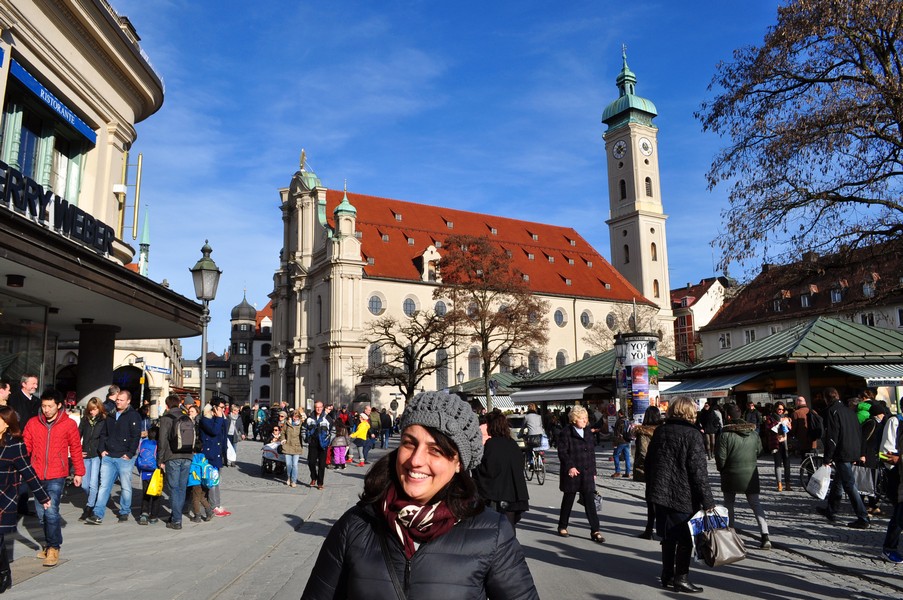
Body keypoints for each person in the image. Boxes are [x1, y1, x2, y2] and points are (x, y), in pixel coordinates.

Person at [301, 391, 538, 599]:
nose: (416, 461)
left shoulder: (491, 533)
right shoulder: (355, 525)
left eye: (436, 450)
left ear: (459, 464)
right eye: (409, 443)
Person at [646, 396, 715, 594]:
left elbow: (649, 462)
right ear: (689, 411)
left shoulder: (660, 431)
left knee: (668, 536)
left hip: (660, 492)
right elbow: (698, 472)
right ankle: (681, 578)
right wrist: (708, 500)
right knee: (685, 538)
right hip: (683, 493)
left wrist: (652, 488)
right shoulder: (692, 434)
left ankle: (667, 574)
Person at [22, 389, 85, 566]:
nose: (46, 410)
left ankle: (54, 548)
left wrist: (78, 472)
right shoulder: (33, 423)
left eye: (50, 406)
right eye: (43, 406)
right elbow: (26, 447)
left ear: (58, 405)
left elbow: (75, 448)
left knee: (51, 512)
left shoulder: (69, 424)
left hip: (57, 474)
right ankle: (49, 543)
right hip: (36, 474)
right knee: (42, 515)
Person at [0, 406, 51, 589]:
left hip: (4, 497)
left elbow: (28, 473)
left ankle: (4, 574)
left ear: (7, 423)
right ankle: (4, 572)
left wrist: (43, 497)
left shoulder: (15, 445)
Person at [716, 403, 771, 549]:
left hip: (731, 473)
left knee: (729, 503)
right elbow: (759, 451)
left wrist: (721, 469)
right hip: (750, 473)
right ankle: (765, 535)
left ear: (728, 417)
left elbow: (720, 458)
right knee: (755, 503)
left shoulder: (725, 435)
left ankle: (732, 534)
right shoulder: (753, 433)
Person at [816, 387, 870, 529]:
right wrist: (859, 452)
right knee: (838, 482)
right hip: (852, 450)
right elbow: (859, 432)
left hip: (842, 452)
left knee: (849, 485)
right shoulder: (849, 411)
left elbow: (832, 437)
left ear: (826, 398)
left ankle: (863, 517)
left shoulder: (832, 411)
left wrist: (827, 457)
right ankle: (831, 509)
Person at [86, 389, 142, 525]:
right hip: (109, 456)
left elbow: (136, 436)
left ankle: (124, 511)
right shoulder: (110, 415)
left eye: (121, 400)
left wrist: (129, 453)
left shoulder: (133, 416)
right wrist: (102, 449)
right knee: (104, 486)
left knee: (126, 486)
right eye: (117, 399)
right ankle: (97, 514)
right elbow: (104, 433)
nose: (118, 402)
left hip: (124, 458)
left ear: (128, 401)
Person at [475, 411, 530, 534]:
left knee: (495, 529)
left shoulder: (491, 444)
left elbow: (487, 469)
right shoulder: (512, 444)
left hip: (497, 494)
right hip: (514, 493)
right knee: (509, 528)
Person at [556, 405, 605, 543]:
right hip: (573, 471)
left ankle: (595, 530)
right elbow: (562, 452)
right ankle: (562, 526)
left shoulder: (588, 432)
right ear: (574, 419)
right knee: (568, 499)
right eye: (582, 418)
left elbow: (591, 453)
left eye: (586, 418)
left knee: (590, 501)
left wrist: (594, 470)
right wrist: (570, 466)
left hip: (587, 471)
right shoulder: (566, 432)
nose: (585, 421)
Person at [157, 394, 194, 529]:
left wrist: (160, 459)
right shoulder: (186, 417)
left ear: (167, 405)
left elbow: (162, 441)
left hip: (172, 456)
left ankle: (176, 520)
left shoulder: (166, 418)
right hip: (187, 456)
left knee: (173, 488)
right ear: (179, 404)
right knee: (181, 487)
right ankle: (175, 515)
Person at [634, 405, 663, 539]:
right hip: (664, 468)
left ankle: (649, 530)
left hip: (651, 470)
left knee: (651, 501)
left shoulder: (643, 432)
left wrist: (642, 467)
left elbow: (642, 453)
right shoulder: (663, 430)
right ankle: (662, 530)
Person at [200, 398, 230, 517]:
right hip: (210, 454)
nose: (223, 410)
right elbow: (214, 431)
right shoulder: (206, 419)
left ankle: (217, 504)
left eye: (224, 408)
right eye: (221, 407)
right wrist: (219, 418)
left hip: (218, 453)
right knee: (211, 482)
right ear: (214, 407)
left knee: (216, 481)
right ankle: (213, 506)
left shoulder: (218, 418)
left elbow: (224, 431)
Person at [78, 397, 106, 521]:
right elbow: (77, 435)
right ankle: (93, 500)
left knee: (93, 483)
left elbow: (105, 437)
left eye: (94, 410)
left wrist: (103, 450)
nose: (92, 412)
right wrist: (78, 450)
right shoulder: (84, 420)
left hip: (96, 455)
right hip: (85, 454)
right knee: (85, 485)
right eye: (90, 410)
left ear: (99, 408)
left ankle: (89, 506)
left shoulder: (103, 421)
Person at [135, 426, 161, 526]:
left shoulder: (143, 443)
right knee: (156, 494)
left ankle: (144, 514)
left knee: (145, 493)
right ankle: (153, 516)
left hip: (145, 471)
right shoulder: (158, 444)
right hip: (156, 471)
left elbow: (139, 457)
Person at [764, 401, 793, 491]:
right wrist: (778, 423)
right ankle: (779, 484)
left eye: (783, 409)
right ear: (775, 409)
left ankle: (788, 484)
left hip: (785, 443)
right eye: (779, 409)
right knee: (778, 464)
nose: (781, 411)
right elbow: (767, 428)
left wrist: (788, 424)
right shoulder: (770, 418)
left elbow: (790, 430)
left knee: (787, 464)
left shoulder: (786, 418)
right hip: (775, 443)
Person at [305, 402, 331, 489]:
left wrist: (328, 441)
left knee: (322, 464)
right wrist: (306, 438)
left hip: (323, 444)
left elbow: (333, 431)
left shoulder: (327, 419)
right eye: (317, 407)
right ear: (314, 408)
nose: (318, 409)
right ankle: (313, 477)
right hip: (313, 443)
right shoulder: (309, 419)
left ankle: (320, 483)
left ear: (323, 407)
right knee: (311, 462)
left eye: (320, 407)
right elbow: (304, 429)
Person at [283, 410, 304, 487]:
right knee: (288, 464)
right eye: (294, 416)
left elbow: (304, 433)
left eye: (297, 417)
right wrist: (283, 439)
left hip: (296, 446)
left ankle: (294, 480)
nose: (295, 418)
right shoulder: (287, 423)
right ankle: (289, 477)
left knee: (295, 464)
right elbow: (282, 433)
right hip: (288, 446)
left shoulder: (301, 424)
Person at [611, 410, 632, 478]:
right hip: (627, 441)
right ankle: (628, 472)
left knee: (615, 455)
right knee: (627, 457)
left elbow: (617, 434)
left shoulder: (619, 421)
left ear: (620, 414)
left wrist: (615, 443)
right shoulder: (628, 421)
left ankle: (617, 472)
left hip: (620, 441)